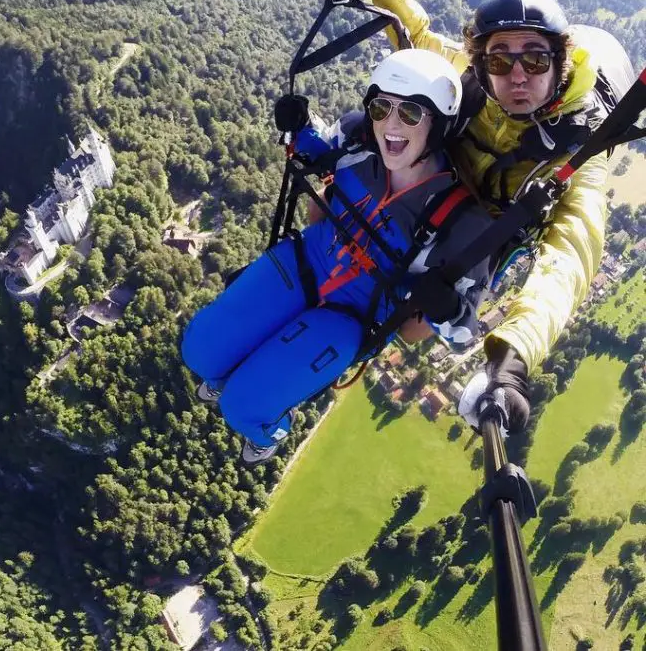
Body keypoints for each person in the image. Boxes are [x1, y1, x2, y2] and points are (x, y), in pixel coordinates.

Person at [344, 0, 629, 433]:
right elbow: (413, 35)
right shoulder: (472, 82)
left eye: (536, 61)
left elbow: (571, 254)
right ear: (481, 62)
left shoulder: (578, 152)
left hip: (480, 231)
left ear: (561, 65)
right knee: (337, 186)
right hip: (438, 186)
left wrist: (513, 358)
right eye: (501, 61)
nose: (517, 75)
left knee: (411, 326)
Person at [181, 50, 495, 465]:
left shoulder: (460, 222)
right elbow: (316, 147)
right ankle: (225, 369)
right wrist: (297, 125)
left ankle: (269, 431)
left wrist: (446, 307)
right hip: (305, 261)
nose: (391, 126)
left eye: (411, 114)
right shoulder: (357, 141)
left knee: (244, 408)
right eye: (382, 108)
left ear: (438, 123)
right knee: (199, 351)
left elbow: (463, 333)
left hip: (352, 314)